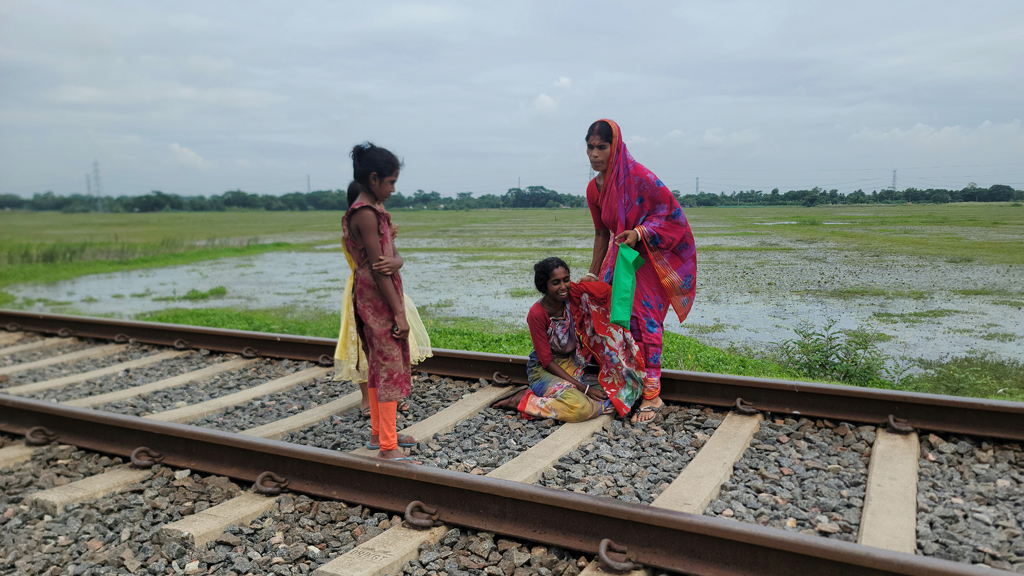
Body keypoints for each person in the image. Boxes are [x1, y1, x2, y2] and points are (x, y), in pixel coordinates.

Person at [580, 119, 697, 423]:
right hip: (618, 255)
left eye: (601, 147)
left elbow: (672, 218)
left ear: (614, 146)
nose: (594, 154)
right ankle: (626, 384)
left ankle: (652, 393)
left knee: (643, 320)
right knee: (605, 314)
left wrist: (639, 232)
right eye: (590, 147)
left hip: (646, 258)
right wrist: (593, 272)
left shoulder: (640, 178)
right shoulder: (594, 189)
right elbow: (601, 234)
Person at [491, 257, 647, 422]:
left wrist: (588, 283)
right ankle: (523, 400)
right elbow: (546, 361)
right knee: (579, 408)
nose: (563, 287)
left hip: (573, 365)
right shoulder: (536, 314)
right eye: (556, 282)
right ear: (544, 286)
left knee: (622, 389)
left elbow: (606, 292)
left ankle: (582, 403)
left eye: (566, 280)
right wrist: (584, 390)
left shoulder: (574, 293)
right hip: (544, 371)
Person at [341, 141, 418, 462]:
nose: (393, 188)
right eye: (391, 182)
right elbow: (378, 268)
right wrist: (400, 313)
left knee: (379, 365)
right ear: (374, 179)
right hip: (377, 298)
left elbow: (390, 260)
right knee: (387, 366)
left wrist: (397, 261)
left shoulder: (375, 213)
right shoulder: (366, 215)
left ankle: (381, 432)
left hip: (373, 295)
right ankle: (388, 446)